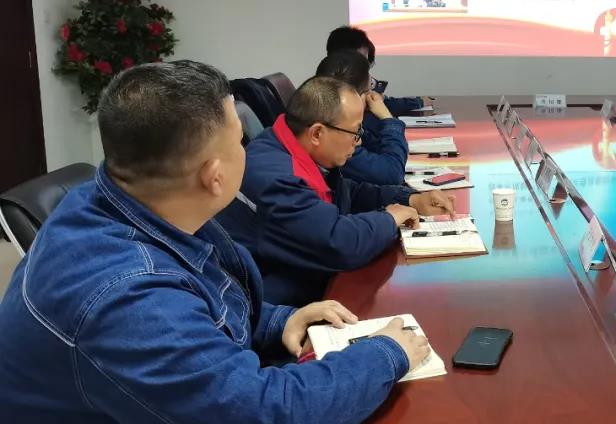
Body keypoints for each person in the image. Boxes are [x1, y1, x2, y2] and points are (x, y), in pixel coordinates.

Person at [0, 61, 429, 422]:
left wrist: (279, 321)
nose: (252, 150)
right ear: (214, 175)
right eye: (239, 141)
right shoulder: (128, 299)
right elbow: (262, 412)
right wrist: (386, 354)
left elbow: (206, 296)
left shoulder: (127, 198)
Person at [216, 76, 455, 306]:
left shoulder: (291, 145)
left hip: (302, 279)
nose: (359, 141)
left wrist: (410, 199)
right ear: (317, 133)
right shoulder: (277, 178)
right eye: (355, 132)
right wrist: (389, 219)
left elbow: (346, 193)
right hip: (269, 305)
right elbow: (339, 244)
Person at [316, 50, 408, 186]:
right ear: (355, 97)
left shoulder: (327, 113)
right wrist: (387, 118)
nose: (373, 94)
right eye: (369, 89)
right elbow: (392, 174)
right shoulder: (338, 137)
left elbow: (377, 148)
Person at [326, 25, 433, 117]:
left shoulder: (365, 89)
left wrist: (418, 102)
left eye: (366, 62)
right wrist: (388, 119)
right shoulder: (327, 98)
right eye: (360, 61)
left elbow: (388, 104)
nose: (364, 68)